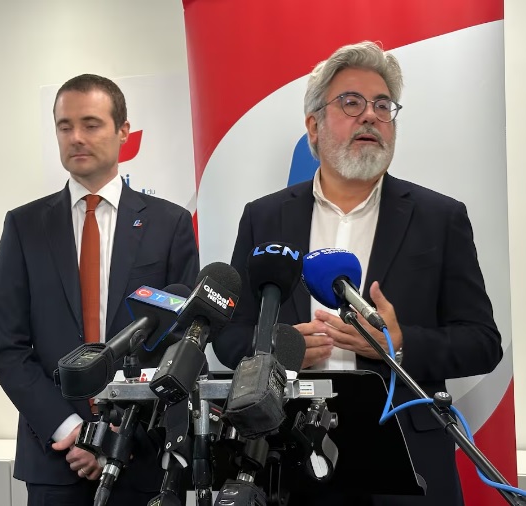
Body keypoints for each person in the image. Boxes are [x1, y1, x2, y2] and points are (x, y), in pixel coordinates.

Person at [212, 41, 503, 506]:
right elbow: (229, 336)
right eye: (351, 102)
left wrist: (399, 342)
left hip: (407, 463)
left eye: (383, 106)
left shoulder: (439, 218)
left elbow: (482, 342)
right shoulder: (264, 218)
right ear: (314, 125)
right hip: (288, 457)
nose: (370, 115)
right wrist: (277, 350)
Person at [0, 74, 199, 506]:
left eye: (91, 124)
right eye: (65, 126)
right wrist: (73, 430)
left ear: (124, 131)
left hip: (143, 456)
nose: (76, 137)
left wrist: (120, 432)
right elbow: (9, 349)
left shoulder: (169, 224)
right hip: (55, 459)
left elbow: (181, 343)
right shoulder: (24, 226)